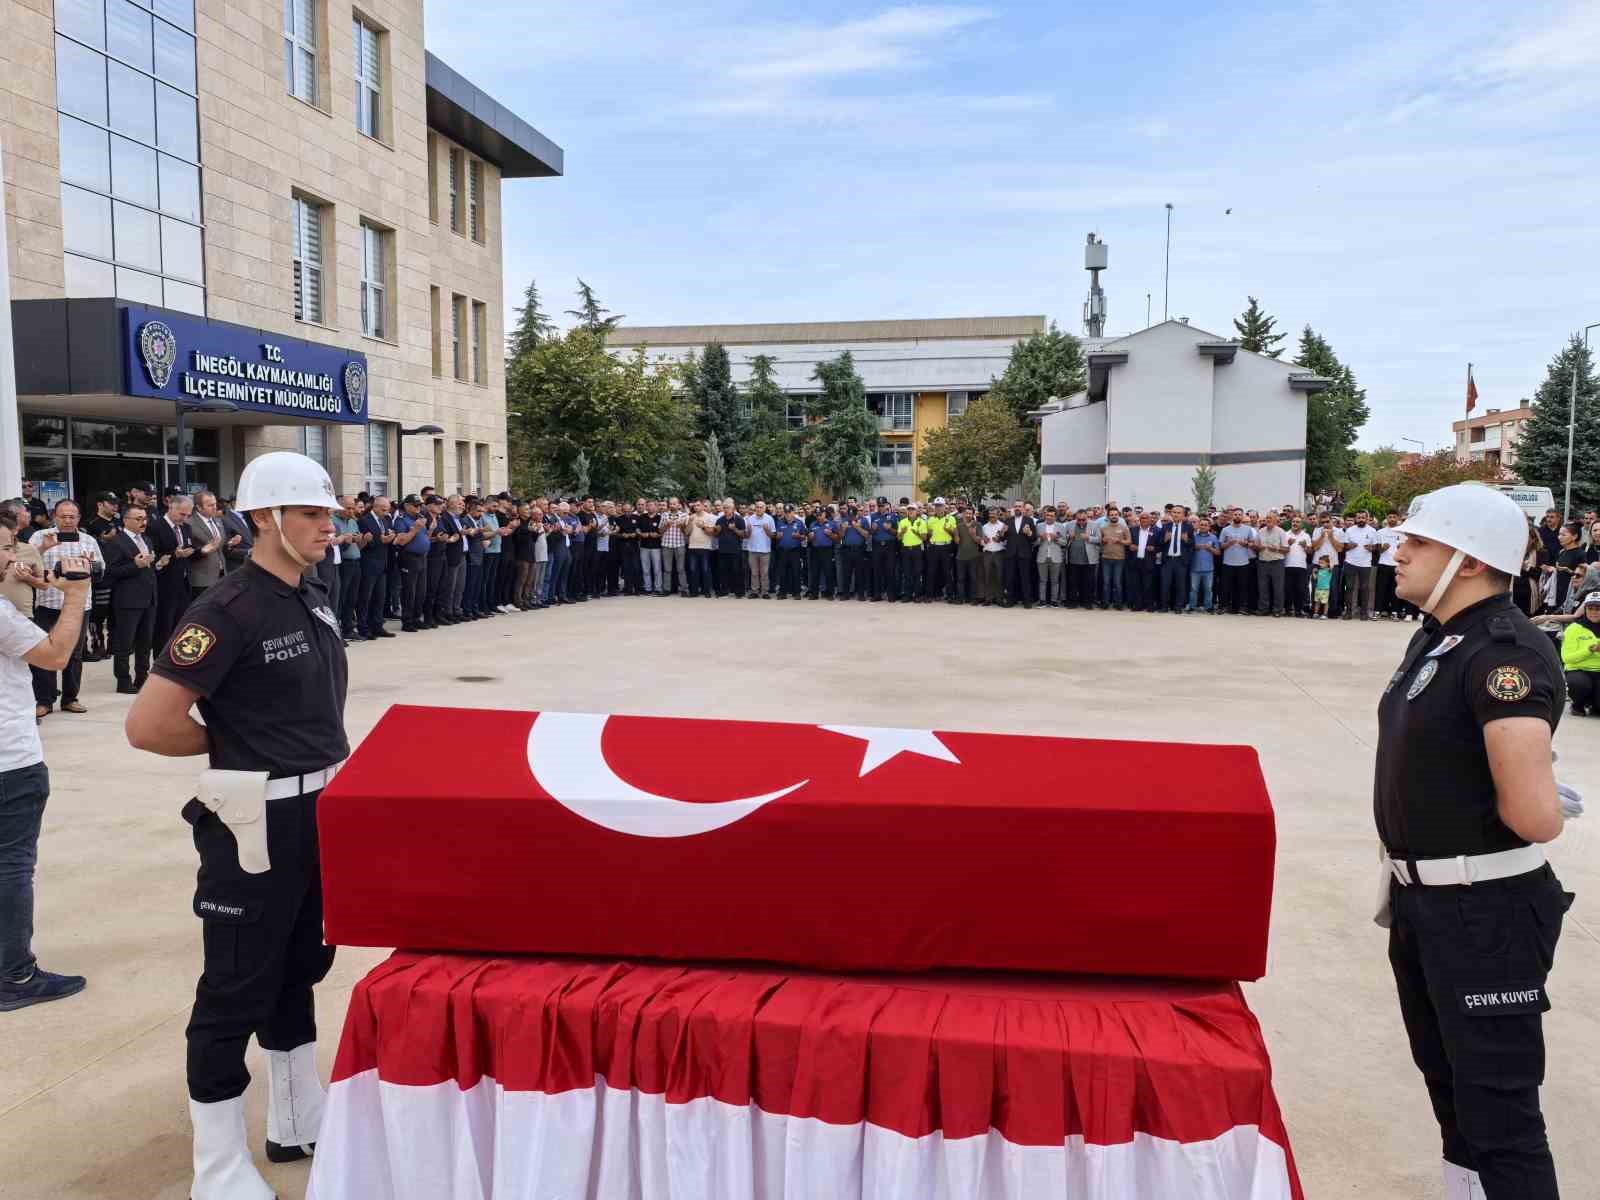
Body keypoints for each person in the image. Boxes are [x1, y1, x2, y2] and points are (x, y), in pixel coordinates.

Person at [126, 450, 349, 1200]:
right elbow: (151, 724)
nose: (328, 527)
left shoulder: (311, 591)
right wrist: (238, 743)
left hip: (317, 813)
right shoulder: (227, 608)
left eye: (328, 514)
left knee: (299, 971)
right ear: (265, 520)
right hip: (255, 822)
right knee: (233, 989)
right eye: (313, 514)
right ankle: (218, 1165)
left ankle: (296, 1117)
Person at [1377, 483, 1573, 1200]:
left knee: (1500, 1116)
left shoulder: (1503, 652)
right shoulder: (1437, 635)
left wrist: (1540, 782)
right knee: (1452, 1098)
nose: (1398, 551)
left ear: (1467, 559)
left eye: (1418, 541)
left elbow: (1534, 818)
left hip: (1484, 912)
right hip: (1426, 904)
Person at [0, 511, 92, 1011]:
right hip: (9, 761)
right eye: (3, 548)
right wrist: (73, 596)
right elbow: (55, 655)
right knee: (12, 867)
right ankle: (14, 976)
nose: (12, 558)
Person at [28, 500, 106, 718]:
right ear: (55, 516)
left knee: (75, 654)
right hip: (48, 604)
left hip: (80, 605)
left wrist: (87, 565)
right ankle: (44, 700)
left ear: (79, 518)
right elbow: (27, 563)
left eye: (72, 516)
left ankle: (70, 698)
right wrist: (44, 548)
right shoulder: (40, 536)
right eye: (63, 516)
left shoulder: (88, 540)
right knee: (44, 653)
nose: (68, 520)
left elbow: (101, 570)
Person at [102, 502, 160, 693]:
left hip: (148, 598)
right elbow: (110, 572)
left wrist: (156, 565)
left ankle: (142, 678)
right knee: (124, 643)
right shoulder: (116, 542)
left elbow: (146, 567)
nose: (143, 522)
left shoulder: (147, 540)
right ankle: (123, 681)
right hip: (127, 601)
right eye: (138, 519)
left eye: (145, 518)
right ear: (126, 520)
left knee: (145, 643)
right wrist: (135, 566)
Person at [150, 492, 197, 652]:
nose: (184, 518)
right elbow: (152, 554)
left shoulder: (186, 528)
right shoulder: (155, 527)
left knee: (181, 627)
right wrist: (173, 554)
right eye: (181, 514)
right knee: (164, 628)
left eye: (188, 515)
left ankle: (177, 660)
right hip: (164, 584)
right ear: (171, 506)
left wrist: (197, 551)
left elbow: (189, 550)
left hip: (183, 583)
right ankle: (160, 663)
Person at [392, 495, 430, 632]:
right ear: (407, 506)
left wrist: (429, 528)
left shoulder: (418, 519)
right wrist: (415, 529)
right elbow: (402, 541)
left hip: (422, 557)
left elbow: (424, 537)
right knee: (409, 591)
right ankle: (407, 621)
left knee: (421, 591)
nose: (419, 508)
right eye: (416, 505)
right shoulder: (401, 520)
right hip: (409, 557)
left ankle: (416, 618)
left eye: (420, 505)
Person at [1560, 592, 1600, 714]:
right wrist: (1589, 650)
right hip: (1578, 671)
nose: (1593, 612)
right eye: (1590, 608)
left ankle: (1594, 704)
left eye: (1598, 608)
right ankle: (1578, 704)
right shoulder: (1573, 628)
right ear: (1585, 609)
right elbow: (1566, 658)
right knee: (1579, 684)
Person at [188, 491, 229, 596]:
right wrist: (202, 551)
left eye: (215, 504)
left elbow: (219, 547)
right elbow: (188, 551)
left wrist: (229, 544)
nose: (215, 507)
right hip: (202, 579)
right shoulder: (189, 523)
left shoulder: (217, 520)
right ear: (199, 507)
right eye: (210, 505)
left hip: (221, 574)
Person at [1341, 510, 1379, 620]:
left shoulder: (1372, 531)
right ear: (1356, 519)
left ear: (1367, 519)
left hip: (1365, 564)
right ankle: (1348, 612)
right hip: (1350, 562)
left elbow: (1375, 547)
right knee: (1349, 587)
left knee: (1365, 588)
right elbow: (1344, 546)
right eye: (1359, 517)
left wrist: (1371, 548)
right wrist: (1349, 546)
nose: (1361, 519)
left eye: (1363, 517)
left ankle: (1364, 613)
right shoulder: (1349, 530)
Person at [1003, 503, 1037, 608]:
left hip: (1024, 554)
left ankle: (1027, 601)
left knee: (1025, 578)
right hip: (1010, 553)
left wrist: (1029, 533)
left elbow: (1034, 538)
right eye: (1016, 506)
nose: (1017, 508)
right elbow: (1003, 538)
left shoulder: (1029, 520)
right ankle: (1010, 600)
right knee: (1010, 578)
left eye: (1019, 506)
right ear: (1014, 508)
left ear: (1023, 508)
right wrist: (1002, 533)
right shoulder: (1008, 520)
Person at [1255, 512, 1288, 617]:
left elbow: (1287, 549)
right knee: (1262, 587)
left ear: (1275, 520)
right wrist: (1257, 547)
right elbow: (1256, 546)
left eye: (1270, 518)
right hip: (1263, 562)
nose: (1268, 520)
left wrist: (1276, 549)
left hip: (1277, 562)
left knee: (1278, 587)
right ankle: (1263, 609)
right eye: (1267, 518)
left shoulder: (1281, 532)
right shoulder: (1260, 531)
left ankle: (1277, 610)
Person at [744, 500, 775, 599]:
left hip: (765, 550)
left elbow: (773, 535)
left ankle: (765, 592)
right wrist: (748, 531)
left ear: (765, 508)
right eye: (757, 507)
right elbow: (747, 536)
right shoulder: (750, 519)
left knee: (764, 573)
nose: (759, 509)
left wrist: (767, 531)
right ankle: (755, 591)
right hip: (752, 550)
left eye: (761, 507)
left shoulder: (769, 519)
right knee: (754, 572)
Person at [1034, 506, 1064, 607]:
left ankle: (1054, 600)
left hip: (1055, 557)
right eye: (1047, 515)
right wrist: (1040, 539)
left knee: (1055, 581)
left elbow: (1065, 542)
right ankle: (1042, 600)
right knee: (1042, 580)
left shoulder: (1060, 526)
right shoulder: (1039, 526)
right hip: (1042, 556)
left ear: (1055, 517)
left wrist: (1056, 539)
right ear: (1044, 516)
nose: (1049, 517)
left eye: (1051, 516)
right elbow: (1034, 543)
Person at [1188, 518, 1220, 613]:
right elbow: (1187, 549)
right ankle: (1192, 606)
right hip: (1195, 567)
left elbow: (1218, 552)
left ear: (1209, 527)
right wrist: (1194, 548)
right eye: (1201, 524)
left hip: (1208, 568)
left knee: (1208, 589)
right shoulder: (1193, 536)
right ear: (1198, 525)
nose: (1203, 526)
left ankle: (1208, 607)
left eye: (1206, 525)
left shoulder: (1213, 537)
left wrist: (1210, 549)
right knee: (1193, 589)